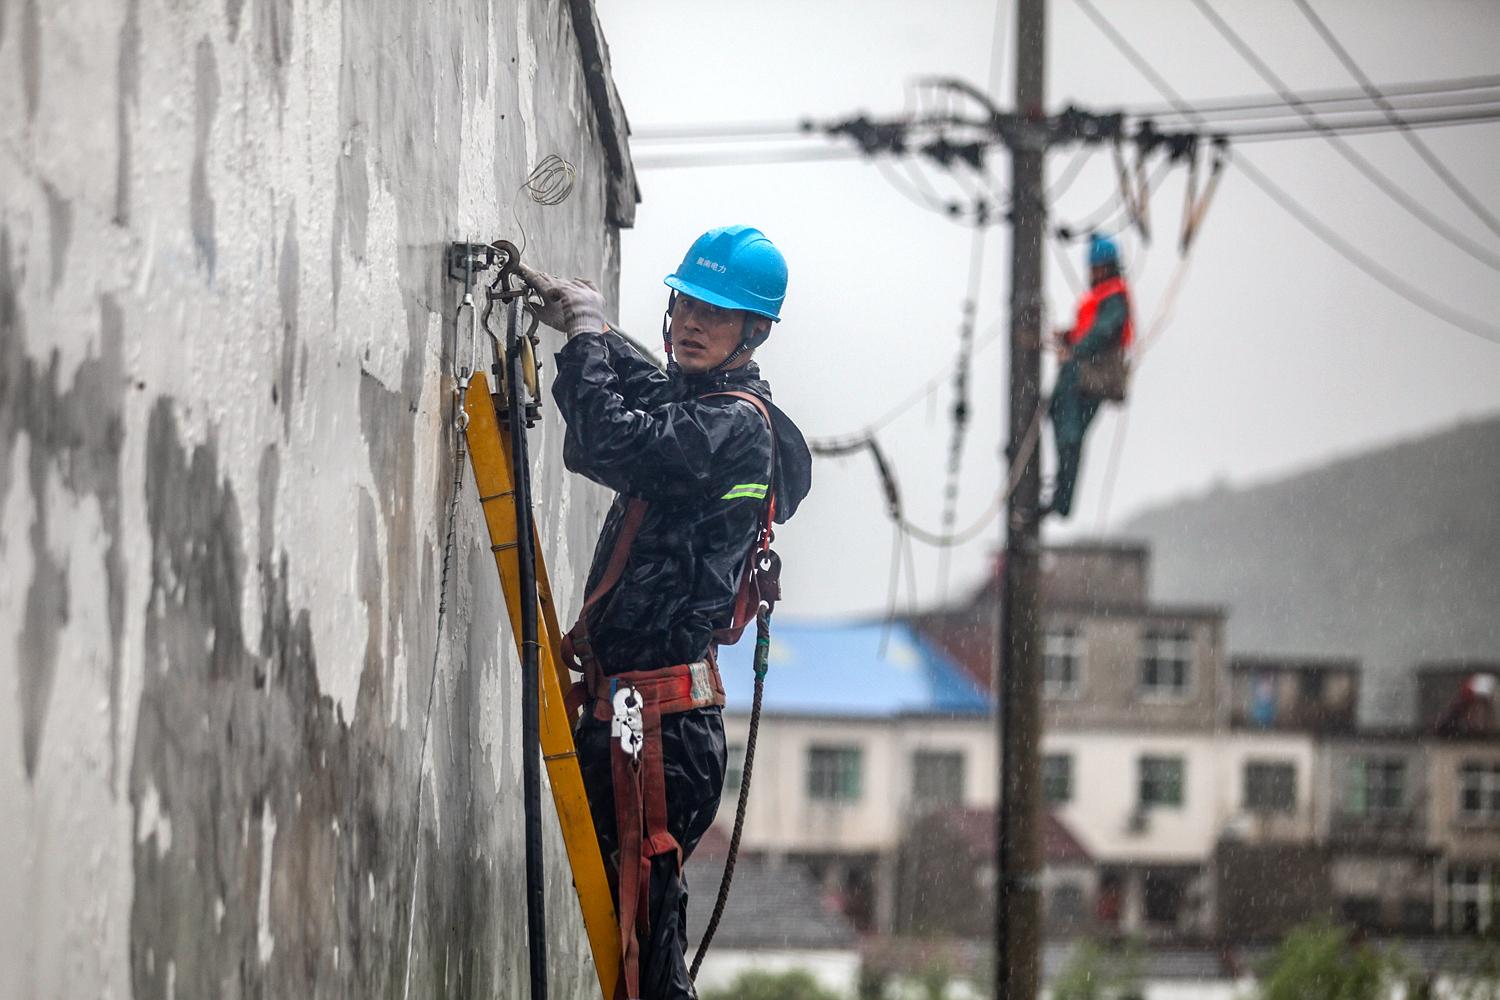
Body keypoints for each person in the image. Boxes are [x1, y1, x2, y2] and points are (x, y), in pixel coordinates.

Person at [517, 225, 812, 1000]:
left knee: (646, 955)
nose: (690, 322)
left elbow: (608, 443)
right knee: (640, 943)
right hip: (638, 710)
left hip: (657, 727)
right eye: (684, 302)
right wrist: (593, 330)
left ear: (755, 331)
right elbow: (649, 389)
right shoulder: (704, 404)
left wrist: (583, 338)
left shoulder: (733, 426)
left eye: (715, 313)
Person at [1043, 233, 1135, 519]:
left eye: (1095, 268)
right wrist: (1069, 337)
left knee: (1069, 433)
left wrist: (1075, 350)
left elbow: (1103, 332)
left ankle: (1062, 498)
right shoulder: (1104, 298)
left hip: (1093, 377)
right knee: (1066, 428)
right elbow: (1091, 332)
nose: (1091, 274)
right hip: (1088, 375)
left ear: (1105, 267)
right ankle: (1061, 496)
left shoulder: (1114, 298)